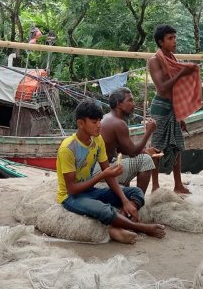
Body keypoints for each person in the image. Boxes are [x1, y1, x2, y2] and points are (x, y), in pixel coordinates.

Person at [57, 99, 166, 244]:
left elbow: (108, 174)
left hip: (90, 190)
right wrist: (103, 175)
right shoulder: (68, 148)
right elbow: (72, 189)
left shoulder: (97, 140)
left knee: (136, 193)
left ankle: (116, 227)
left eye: (99, 121)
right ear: (81, 124)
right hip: (71, 197)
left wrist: (125, 200)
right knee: (103, 210)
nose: (99, 125)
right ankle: (141, 227)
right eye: (94, 122)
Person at [148, 24, 202, 195]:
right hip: (160, 109)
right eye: (170, 38)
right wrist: (183, 72)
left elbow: (176, 91)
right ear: (160, 41)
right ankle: (155, 186)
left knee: (177, 147)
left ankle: (178, 184)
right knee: (156, 148)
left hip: (173, 109)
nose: (174, 41)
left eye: (174, 38)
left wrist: (180, 115)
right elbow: (163, 88)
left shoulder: (172, 59)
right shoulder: (154, 61)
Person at [96, 87, 161, 193]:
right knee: (146, 160)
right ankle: (137, 199)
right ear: (119, 104)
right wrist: (148, 132)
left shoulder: (108, 117)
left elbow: (125, 150)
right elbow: (132, 152)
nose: (134, 104)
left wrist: (145, 150)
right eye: (130, 100)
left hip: (98, 167)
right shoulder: (118, 123)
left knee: (140, 155)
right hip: (100, 171)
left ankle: (129, 193)